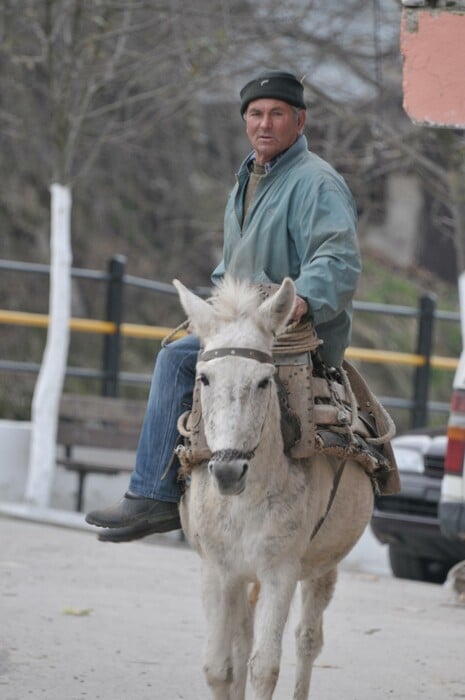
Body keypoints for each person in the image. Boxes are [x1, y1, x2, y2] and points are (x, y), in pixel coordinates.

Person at [86, 70, 361, 542]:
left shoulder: (316, 182)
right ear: (244, 121)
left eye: (277, 114)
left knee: (176, 360)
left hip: (285, 327)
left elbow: (338, 257)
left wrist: (303, 301)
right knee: (186, 348)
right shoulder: (250, 177)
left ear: (300, 121)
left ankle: (153, 495)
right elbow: (234, 265)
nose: (265, 124)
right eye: (256, 114)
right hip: (242, 322)